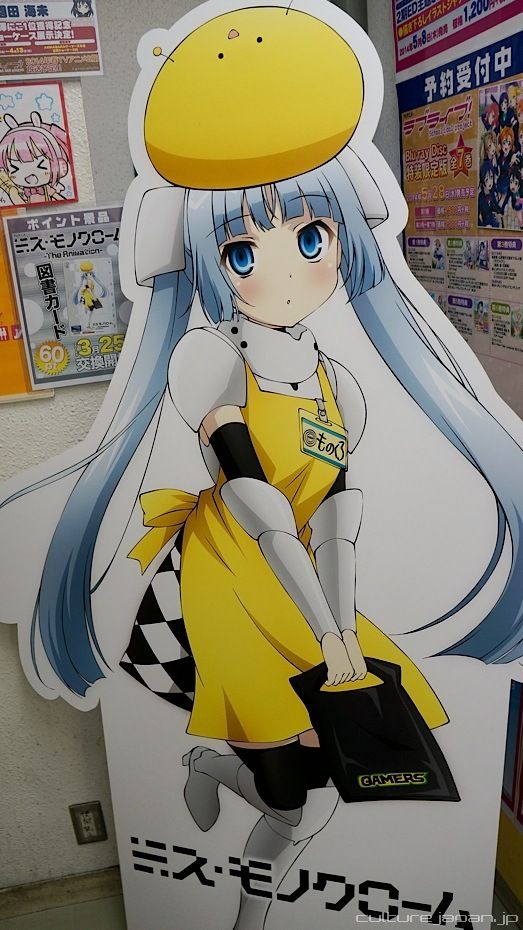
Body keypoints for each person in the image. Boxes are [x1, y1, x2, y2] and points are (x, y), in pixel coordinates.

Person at [2, 6, 523, 930]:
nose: (280, 273)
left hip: (304, 589)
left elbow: (334, 515)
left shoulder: (338, 383)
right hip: (218, 589)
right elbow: (254, 502)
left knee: (336, 778)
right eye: (242, 251)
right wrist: (329, 631)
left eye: (310, 239)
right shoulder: (208, 358)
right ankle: (231, 812)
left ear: (343, 237)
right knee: (298, 789)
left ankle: (224, 794)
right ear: (209, 262)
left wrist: (341, 627)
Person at [0, 111, 71, 205]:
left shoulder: (47, 189)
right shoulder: (20, 192)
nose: (29, 177)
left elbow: (60, 200)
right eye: (15, 168)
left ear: (58, 164)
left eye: (41, 166)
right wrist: (13, 194)